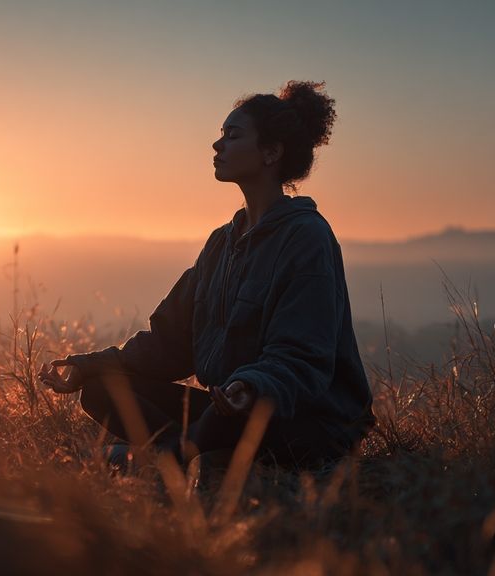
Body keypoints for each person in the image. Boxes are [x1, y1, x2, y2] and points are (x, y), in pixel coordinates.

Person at [38, 81, 374, 477]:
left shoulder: (306, 238)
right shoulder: (222, 244)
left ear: (271, 152)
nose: (218, 146)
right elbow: (168, 343)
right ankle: (185, 456)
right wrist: (91, 365)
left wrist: (250, 387)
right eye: (220, 135)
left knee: (224, 417)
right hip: (231, 407)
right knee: (103, 389)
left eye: (233, 136)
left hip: (305, 422)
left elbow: (302, 358)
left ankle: (172, 458)